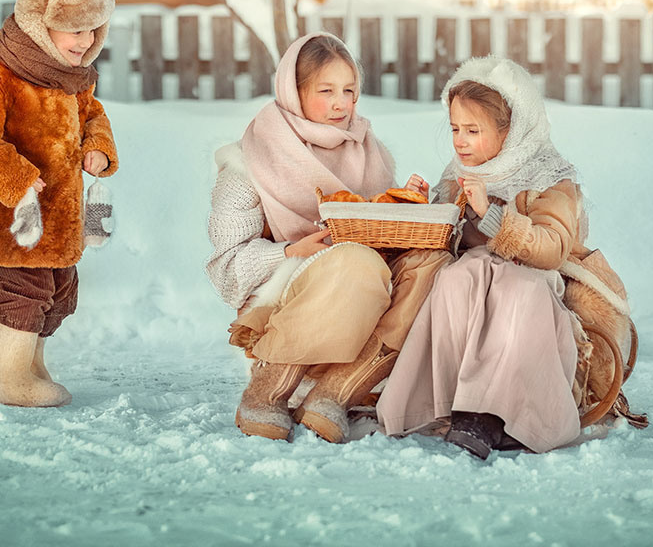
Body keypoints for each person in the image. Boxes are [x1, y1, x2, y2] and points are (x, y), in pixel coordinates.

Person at [206, 32, 452, 443]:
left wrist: (403, 205)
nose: (342, 104)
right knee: (355, 259)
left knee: (434, 263)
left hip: (366, 297)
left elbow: (378, 231)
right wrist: (291, 251)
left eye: (349, 90)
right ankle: (271, 387)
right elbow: (226, 269)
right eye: (326, 91)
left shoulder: (369, 151)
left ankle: (337, 391)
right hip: (289, 305)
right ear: (294, 92)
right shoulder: (250, 161)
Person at [377, 55, 589, 459]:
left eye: (473, 131)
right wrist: (420, 203)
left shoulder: (547, 176)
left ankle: (495, 412)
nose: (460, 141)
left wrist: (491, 214)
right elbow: (445, 235)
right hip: (476, 271)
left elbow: (552, 247)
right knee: (454, 280)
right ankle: (454, 403)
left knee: (515, 293)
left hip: (532, 276)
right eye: (455, 128)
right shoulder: (456, 174)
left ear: (510, 131)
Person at [0, 0, 118, 408]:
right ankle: (9, 380)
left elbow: (93, 116)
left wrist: (98, 147)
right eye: (76, 30)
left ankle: (30, 367)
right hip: (11, 220)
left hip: (59, 221)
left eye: (94, 30)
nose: (86, 42)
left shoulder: (74, 80)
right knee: (19, 296)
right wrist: (19, 177)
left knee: (54, 294)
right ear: (38, 24)